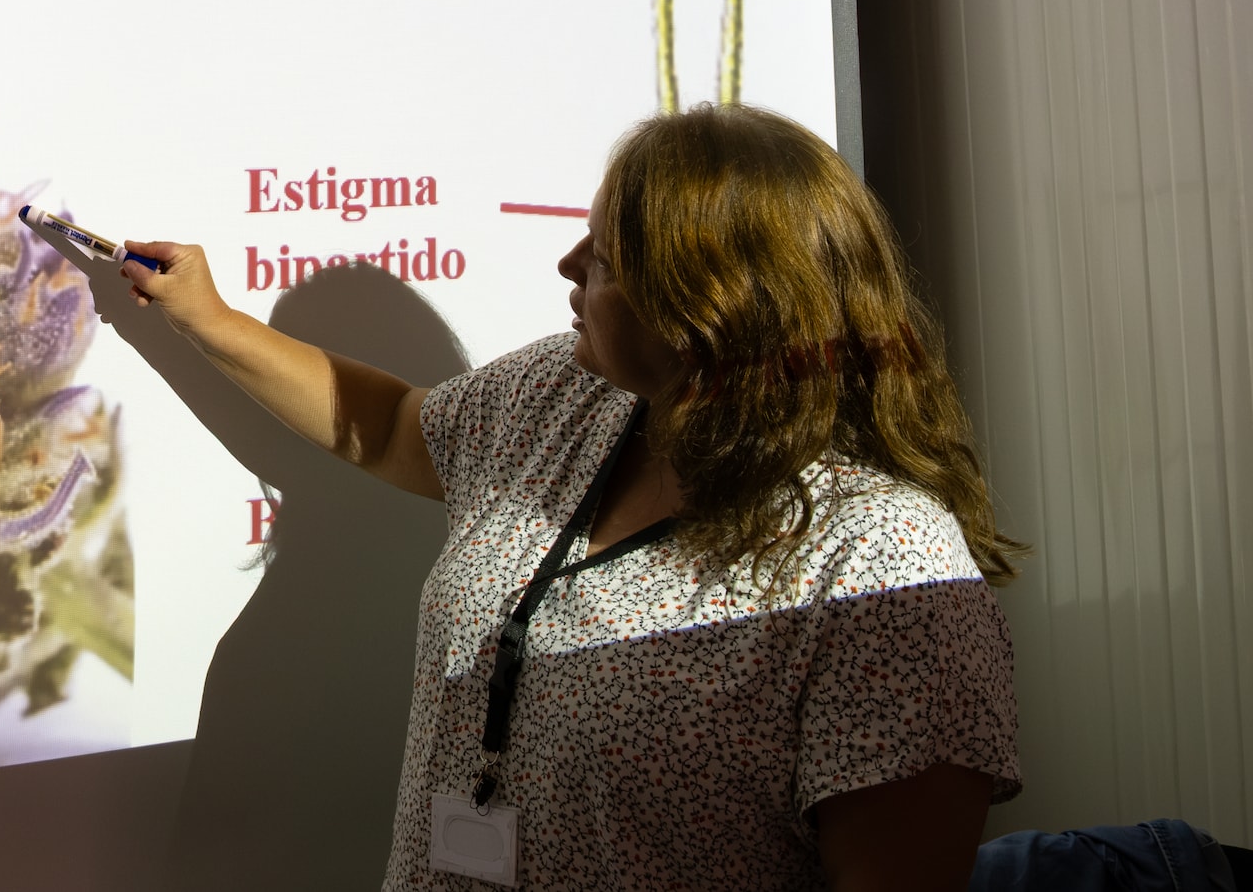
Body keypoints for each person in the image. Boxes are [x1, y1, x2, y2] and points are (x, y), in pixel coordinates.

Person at [118, 103, 1022, 892]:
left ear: (710, 306)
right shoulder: (568, 394)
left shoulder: (881, 559)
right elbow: (395, 426)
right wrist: (208, 320)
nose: (567, 262)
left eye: (607, 259)